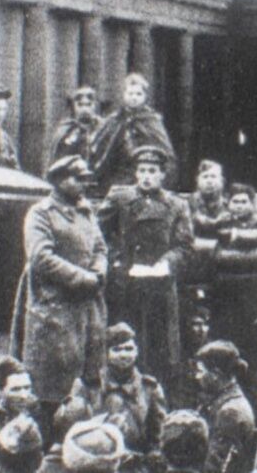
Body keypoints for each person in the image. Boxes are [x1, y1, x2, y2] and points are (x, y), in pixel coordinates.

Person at [10, 155, 108, 409]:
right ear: (60, 180)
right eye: (78, 179)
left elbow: (100, 248)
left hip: (87, 306)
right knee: (51, 382)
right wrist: (83, 278)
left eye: (86, 179)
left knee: (88, 375)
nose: (84, 184)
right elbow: (41, 257)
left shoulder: (86, 212)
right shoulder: (41, 213)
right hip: (54, 306)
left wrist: (98, 271)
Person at [96, 145, 194, 381]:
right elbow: (98, 236)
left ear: (163, 174)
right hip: (126, 285)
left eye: (152, 171)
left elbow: (185, 246)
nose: (146, 176)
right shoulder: (119, 198)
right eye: (142, 171)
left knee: (161, 347)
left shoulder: (177, 204)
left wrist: (166, 264)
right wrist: (118, 261)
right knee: (126, 341)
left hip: (161, 286)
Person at [68, 322, 168, 453]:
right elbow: (73, 431)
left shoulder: (150, 388)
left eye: (128, 349)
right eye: (117, 349)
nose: (123, 355)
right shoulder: (88, 386)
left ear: (136, 351)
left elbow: (158, 435)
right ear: (107, 353)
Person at [90, 73, 177, 193]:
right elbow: (102, 148)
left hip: (142, 173)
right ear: (124, 94)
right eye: (130, 93)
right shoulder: (114, 119)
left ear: (145, 96)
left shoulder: (151, 120)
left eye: (138, 94)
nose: (134, 98)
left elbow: (165, 152)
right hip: (117, 175)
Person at [194, 340, 255, 473]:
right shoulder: (224, 401)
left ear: (216, 374)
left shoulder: (230, 412)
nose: (197, 377)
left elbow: (214, 467)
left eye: (200, 371)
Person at [218, 184, 257, 251]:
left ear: (251, 204)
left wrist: (235, 234)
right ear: (228, 204)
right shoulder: (224, 219)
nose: (239, 206)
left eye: (244, 202)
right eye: (235, 202)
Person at [51, 85, 102, 163]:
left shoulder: (104, 129)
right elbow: (57, 161)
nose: (84, 108)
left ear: (96, 105)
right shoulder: (65, 131)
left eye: (89, 102)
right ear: (73, 106)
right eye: (80, 103)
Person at [190, 160, 231, 239]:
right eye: (205, 177)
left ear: (222, 181)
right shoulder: (186, 204)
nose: (209, 181)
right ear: (197, 180)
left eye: (213, 176)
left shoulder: (231, 203)